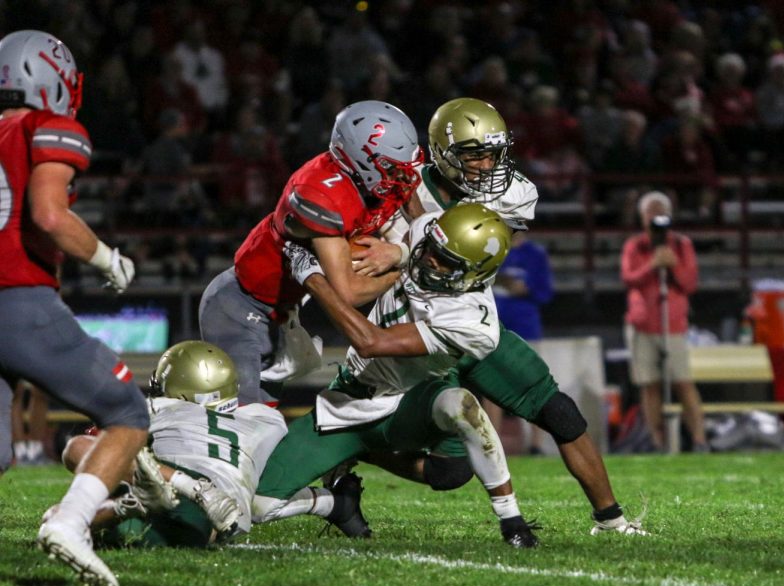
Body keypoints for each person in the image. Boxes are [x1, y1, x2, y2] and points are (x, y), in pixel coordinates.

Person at [352, 97, 645, 536]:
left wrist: (401, 246)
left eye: (494, 153)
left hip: (472, 325)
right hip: (417, 335)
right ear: (440, 153)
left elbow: (473, 246)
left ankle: (611, 519)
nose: (488, 164)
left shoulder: (512, 193)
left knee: (560, 413)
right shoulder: (398, 181)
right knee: (450, 473)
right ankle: (353, 447)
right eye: (474, 155)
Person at [254, 204, 540, 548]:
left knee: (459, 404)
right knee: (259, 505)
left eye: (447, 260)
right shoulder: (426, 233)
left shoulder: (473, 322)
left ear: (475, 273)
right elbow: (401, 205)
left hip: (408, 404)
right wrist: (398, 249)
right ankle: (336, 504)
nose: (432, 260)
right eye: (434, 248)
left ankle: (512, 520)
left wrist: (311, 276)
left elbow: (371, 342)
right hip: (346, 403)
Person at [0, 30, 149, 586]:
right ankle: (71, 521)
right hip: (16, 297)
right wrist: (107, 257)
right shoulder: (47, 126)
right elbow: (48, 213)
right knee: (128, 411)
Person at [199, 100, 423, 407]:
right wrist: (406, 264)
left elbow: (427, 232)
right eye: (392, 167)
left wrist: (401, 251)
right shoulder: (320, 193)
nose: (403, 176)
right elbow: (349, 292)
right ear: (362, 159)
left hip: (282, 315)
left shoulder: (375, 182)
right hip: (240, 309)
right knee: (245, 425)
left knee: (265, 421)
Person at [58, 340, 369, 547]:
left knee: (84, 466)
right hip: (227, 511)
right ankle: (333, 503)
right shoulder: (264, 420)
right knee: (260, 496)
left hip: (195, 506)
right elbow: (277, 477)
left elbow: (91, 446)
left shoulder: (155, 410)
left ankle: (159, 492)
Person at [620, 191, 707, 452]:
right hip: (642, 323)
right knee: (649, 385)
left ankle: (700, 440)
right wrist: (652, 265)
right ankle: (657, 442)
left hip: (674, 324)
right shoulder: (634, 246)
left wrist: (673, 265)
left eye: (661, 210)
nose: (656, 215)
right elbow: (628, 278)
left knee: (683, 382)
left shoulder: (681, 245)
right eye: (651, 210)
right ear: (642, 216)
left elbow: (690, 283)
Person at [490, 233, 554, 455]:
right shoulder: (492, 248)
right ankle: (493, 444)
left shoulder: (535, 254)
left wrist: (525, 290)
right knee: (490, 385)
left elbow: (545, 293)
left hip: (526, 327)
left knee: (531, 385)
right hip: (493, 327)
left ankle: (536, 444)